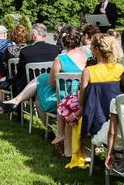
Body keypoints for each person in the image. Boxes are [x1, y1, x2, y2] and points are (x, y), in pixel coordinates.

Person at [67, 33, 124, 169]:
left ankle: (79, 153)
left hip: (96, 121)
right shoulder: (120, 68)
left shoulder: (88, 71)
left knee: (74, 115)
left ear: (96, 49)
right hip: (118, 120)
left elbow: (82, 102)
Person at [37, 26, 88, 155]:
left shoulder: (60, 59)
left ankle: (54, 132)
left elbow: (53, 82)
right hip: (85, 99)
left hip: (64, 101)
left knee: (40, 97)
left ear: (63, 41)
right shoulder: (89, 56)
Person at [13, 23, 61, 97]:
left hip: (31, 89)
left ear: (34, 34)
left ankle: (17, 106)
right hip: (51, 86)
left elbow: (20, 73)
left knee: (16, 81)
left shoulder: (25, 51)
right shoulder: (56, 49)